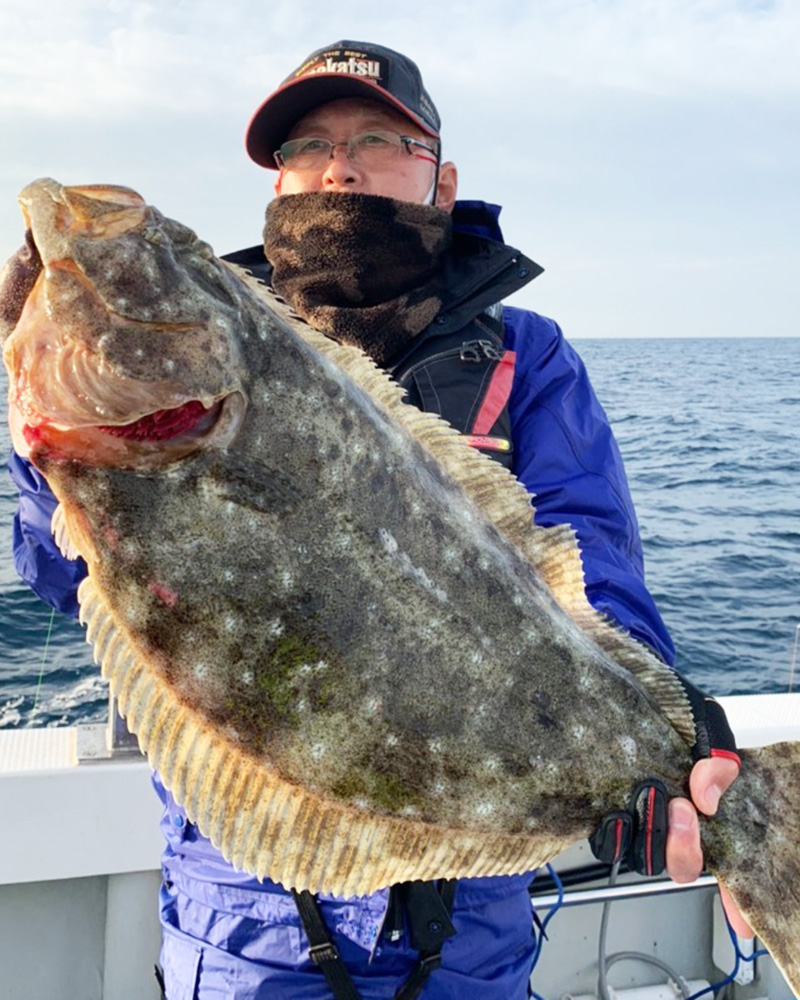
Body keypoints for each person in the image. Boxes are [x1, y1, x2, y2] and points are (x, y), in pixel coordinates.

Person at [7, 39, 746, 1000]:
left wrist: (663, 728)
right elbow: (69, 580)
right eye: (306, 147)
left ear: (440, 180)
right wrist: (45, 450)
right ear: (279, 185)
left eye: (375, 138)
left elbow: (592, 559)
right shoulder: (226, 346)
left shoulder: (523, 356)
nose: (338, 165)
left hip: (471, 930)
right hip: (239, 925)